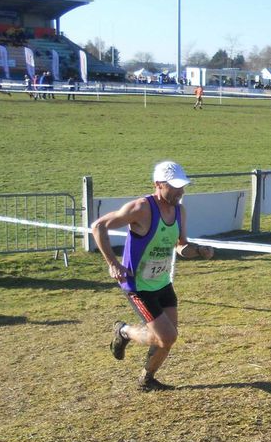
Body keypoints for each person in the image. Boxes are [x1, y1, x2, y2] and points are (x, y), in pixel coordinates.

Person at [91, 160, 215, 391]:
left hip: (162, 282)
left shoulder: (180, 210)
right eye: (175, 186)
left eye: (183, 186)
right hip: (138, 285)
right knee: (166, 337)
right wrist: (112, 263)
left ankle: (146, 380)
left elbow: (181, 246)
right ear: (158, 184)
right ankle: (124, 331)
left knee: (169, 337)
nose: (181, 191)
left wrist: (197, 250)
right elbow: (99, 226)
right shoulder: (141, 208)